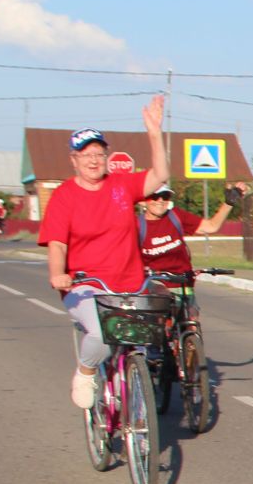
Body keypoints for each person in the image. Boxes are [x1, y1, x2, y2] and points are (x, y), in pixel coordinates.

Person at [39, 96, 171, 409]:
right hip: (85, 286)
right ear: (74, 159)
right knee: (100, 335)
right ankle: (85, 372)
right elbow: (57, 243)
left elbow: (160, 176)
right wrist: (57, 274)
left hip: (130, 283)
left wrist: (154, 132)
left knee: (147, 332)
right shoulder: (63, 196)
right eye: (86, 155)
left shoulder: (121, 185)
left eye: (99, 153)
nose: (94, 160)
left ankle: (134, 395)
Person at [136, 181, 244, 276]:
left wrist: (229, 203)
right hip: (153, 288)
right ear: (142, 201)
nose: (160, 200)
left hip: (183, 285)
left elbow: (212, 226)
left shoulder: (176, 216)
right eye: (154, 196)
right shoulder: (136, 225)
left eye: (165, 196)